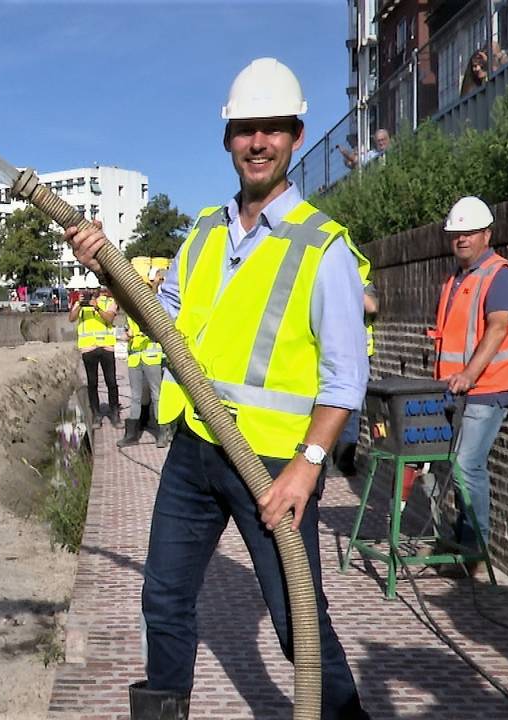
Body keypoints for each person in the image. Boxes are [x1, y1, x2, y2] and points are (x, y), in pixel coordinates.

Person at [67, 57, 371, 719]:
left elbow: (346, 380)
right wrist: (106, 263)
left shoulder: (324, 249)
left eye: (272, 129)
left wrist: (306, 469)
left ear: (294, 135)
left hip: (272, 467)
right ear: (227, 139)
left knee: (298, 624)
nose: (257, 142)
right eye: (244, 130)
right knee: (165, 599)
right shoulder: (203, 232)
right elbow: (160, 317)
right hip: (196, 449)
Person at [428, 196, 508, 563]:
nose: (462, 239)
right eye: (456, 233)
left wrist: (469, 374)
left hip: (489, 388)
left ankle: (474, 549)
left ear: (487, 234)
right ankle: (457, 538)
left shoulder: (499, 275)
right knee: (450, 465)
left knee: (467, 465)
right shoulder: (456, 279)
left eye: (470, 232)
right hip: (457, 389)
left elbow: (498, 329)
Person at [118, 267, 168, 448]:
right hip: (134, 357)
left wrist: (133, 334)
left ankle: (163, 432)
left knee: (157, 395)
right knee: (136, 397)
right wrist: (127, 335)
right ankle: (131, 434)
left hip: (151, 356)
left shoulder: (155, 306)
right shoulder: (130, 311)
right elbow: (128, 330)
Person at [334, 283, 379, 475]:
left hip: (357, 355)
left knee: (352, 409)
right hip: (332, 351)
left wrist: (348, 282)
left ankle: (343, 462)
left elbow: (372, 307)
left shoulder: (362, 281)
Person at [68, 276, 121, 427]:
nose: (91, 292)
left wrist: (96, 307)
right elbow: (71, 318)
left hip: (106, 347)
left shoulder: (108, 301)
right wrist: (79, 305)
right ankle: (96, 415)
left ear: (99, 289)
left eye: (93, 289)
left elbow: (110, 319)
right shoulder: (81, 303)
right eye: (89, 289)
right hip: (88, 348)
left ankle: (114, 413)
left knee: (111, 382)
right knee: (92, 383)